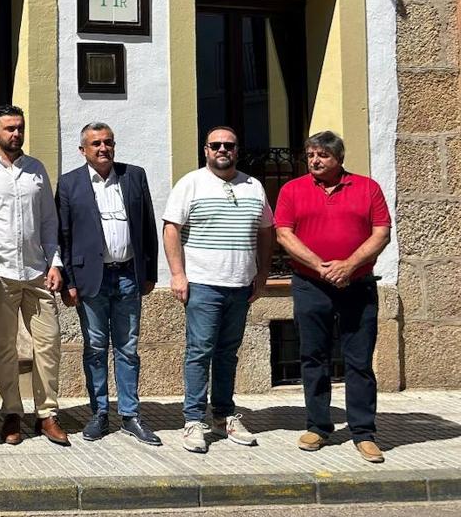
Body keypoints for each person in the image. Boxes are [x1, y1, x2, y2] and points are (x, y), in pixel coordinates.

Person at [274, 131, 391, 463]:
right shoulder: (291, 190)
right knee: (313, 357)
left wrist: (349, 265)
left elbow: (381, 232)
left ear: (339, 158)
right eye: (310, 154)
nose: (315, 160)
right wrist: (321, 266)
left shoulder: (367, 188)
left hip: (358, 285)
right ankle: (318, 426)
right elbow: (284, 233)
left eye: (322, 155)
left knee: (359, 360)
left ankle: (363, 433)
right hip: (311, 284)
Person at [163, 126, 274, 454]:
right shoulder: (191, 183)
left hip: (240, 285)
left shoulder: (253, 186)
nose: (222, 150)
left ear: (237, 150)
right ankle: (193, 420)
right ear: (206, 150)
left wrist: (263, 273)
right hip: (203, 284)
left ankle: (224, 416)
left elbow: (267, 231)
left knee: (228, 354)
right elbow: (172, 229)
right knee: (199, 352)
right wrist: (178, 274)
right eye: (216, 145)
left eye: (229, 145)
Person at [0, 105, 69, 446]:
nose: (16, 134)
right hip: (0, 273)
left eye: (20, 128)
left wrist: (55, 263)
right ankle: (12, 412)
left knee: (49, 343)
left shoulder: (36, 170)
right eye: (9, 128)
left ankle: (47, 414)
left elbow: (48, 223)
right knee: (4, 347)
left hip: (37, 272)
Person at [56, 122, 161, 446]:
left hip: (128, 275)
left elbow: (147, 226)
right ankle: (99, 413)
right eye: (96, 144)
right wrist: (68, 282)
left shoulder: (134, 176)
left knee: (128, 349)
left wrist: (150, 273)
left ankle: (130, 415)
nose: (103, 148)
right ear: (83, 150)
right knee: (96, 348)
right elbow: (64, 237)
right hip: (92, 279)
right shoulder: (69, 184)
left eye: (108, 143)